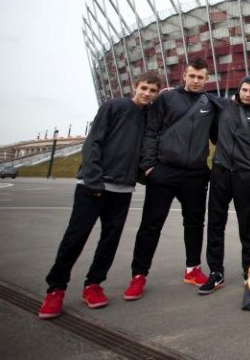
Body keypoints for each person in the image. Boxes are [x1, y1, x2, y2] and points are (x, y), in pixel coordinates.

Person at [38, 72, 162, 319]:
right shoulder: (114, 107)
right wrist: (93, 179)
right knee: (75, 237)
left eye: (153, 91)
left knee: (110, 240)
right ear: (135, 87)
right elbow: (93, 142)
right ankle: (56, 289)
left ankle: (93, 284)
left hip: (123, 189)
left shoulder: (149, 117)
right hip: (94, 185)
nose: (147, 93)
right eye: (144, 88)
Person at [124, 57, 219, 300]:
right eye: (192, 76)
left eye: (200, 77)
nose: (195, 81)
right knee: (151, 224)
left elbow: (219, 135)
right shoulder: (166, 98)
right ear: (184, 76)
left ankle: (192, 269)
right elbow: (150, 131)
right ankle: (139, 275)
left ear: (206, 79)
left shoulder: (210, 103)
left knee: (195, 223)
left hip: (196, 173)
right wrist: (148, 166)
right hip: (164, 170)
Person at [198, 75, 250, 295]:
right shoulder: (224, 106)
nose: (247, 94)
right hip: (220, 172)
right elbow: (199, 94)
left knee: (247, 226)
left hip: (244, 175)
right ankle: (216, 272)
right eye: (244, 90)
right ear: (238, 90)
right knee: (215, 224)